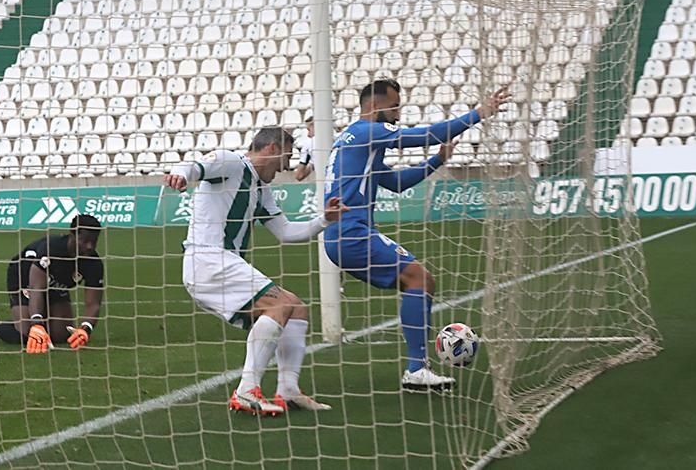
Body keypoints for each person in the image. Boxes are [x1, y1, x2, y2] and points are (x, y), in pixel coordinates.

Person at [323, 79, 510, 391]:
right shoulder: (368, 131)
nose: (399, 111)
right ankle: (416, 369)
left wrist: (437, 161)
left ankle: (417, 368)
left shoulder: (356, 141)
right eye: (394, 105)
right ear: (375, 106)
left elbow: (395, 183)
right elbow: (426, 135)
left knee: (419, 280)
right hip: (350, 233)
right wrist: (480, 113)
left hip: (344, 235)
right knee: (421, 279)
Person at [164, 126, 348, 415]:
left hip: (221, 263)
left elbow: (286, 232)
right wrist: (181, 174)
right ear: (272, 148)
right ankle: (246, 390)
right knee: (279, 304)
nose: (286, 167)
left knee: (296, 308)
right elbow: (194, 166)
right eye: (286, 157)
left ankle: (287, 390)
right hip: (208, 259)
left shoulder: (261, 188)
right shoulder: (231, 162)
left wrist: (324, 220)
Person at [0, 214, 105, 353]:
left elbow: (94, 304)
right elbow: (36, 288)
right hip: (24, 276)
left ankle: (42, 324)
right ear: (73, 235)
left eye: (94, 241)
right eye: (84, 241)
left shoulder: (93, 263)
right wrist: (36, 324)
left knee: (61, 334)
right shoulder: (51, 249)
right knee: (27, 333)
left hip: (53, 283)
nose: (90, 246)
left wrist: (86, 328)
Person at [293, 114, 316, 181]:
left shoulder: (309, 143)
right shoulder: (338, 140)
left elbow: (299, 176)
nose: (308, 135)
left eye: (309, 130)